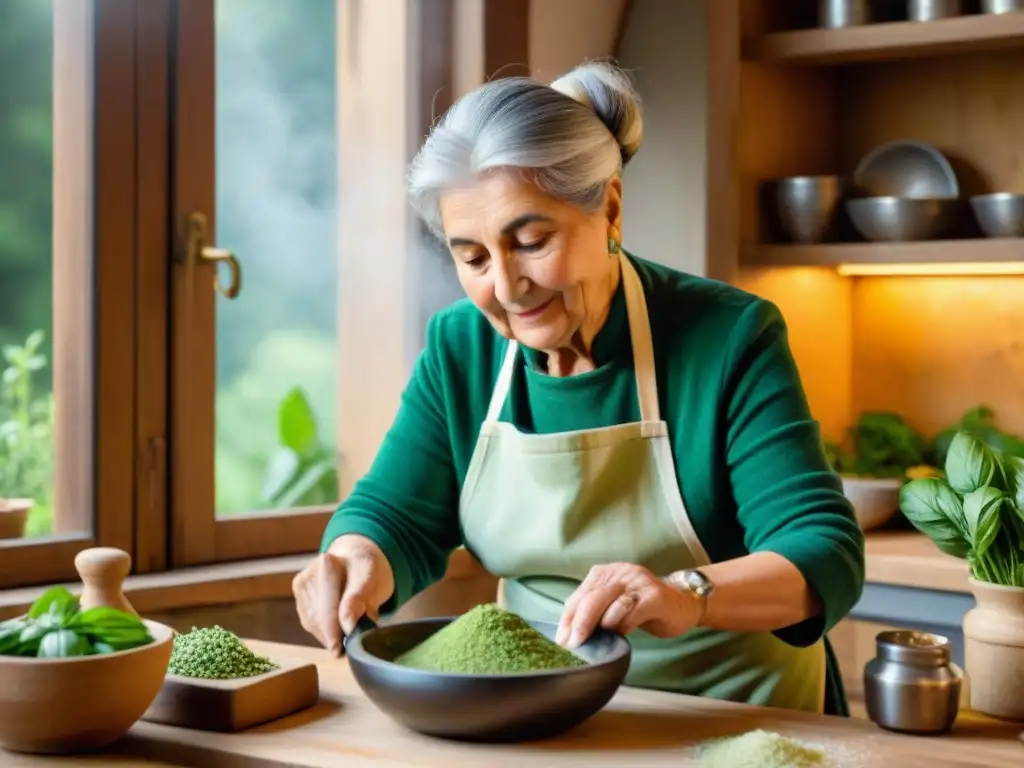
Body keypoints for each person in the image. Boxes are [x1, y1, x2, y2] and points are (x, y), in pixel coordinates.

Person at [293, 60, 865, 716]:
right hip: (542, 718)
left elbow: (823, 550)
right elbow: (398, 517)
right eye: (473, 258)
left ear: (611, 209)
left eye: (531, 241)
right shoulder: (462, 347)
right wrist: (354, 555)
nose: (507, 287)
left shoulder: (729, 336)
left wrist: (685, 592)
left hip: (737, 720)